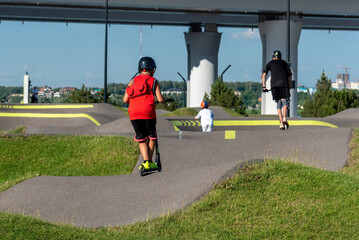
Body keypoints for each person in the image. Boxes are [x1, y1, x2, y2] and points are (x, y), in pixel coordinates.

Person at [123, 56, 164, 171]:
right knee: (152, 137)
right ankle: (149, 163)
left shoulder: (133, 81)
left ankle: (146, 162)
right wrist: (164, 99)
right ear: (152, 69)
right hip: (148, 113)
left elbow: (125, 100)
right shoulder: (153, 81)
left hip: (134, 114)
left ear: (140, 68)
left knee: (141, 139)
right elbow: (160, 99)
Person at [262, 50, 292, 130]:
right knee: (284, 101)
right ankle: (285, 117)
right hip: (284, 83)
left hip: (274, 85)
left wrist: (264, 87)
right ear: (280, 56)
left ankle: (281, 123)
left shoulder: (270, 63)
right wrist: (289, 85)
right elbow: (290, 75)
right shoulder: (284, 63)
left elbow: (264, 75)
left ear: (273, 57)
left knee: (278, 103)